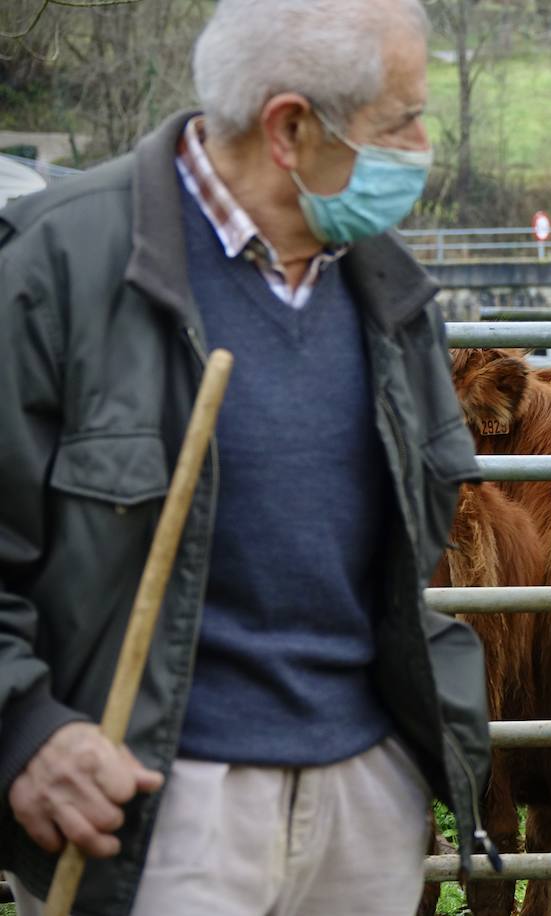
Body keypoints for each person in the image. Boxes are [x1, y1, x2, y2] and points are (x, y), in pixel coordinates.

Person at [0, 2, 494, 914]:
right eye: (400, 121)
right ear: (290, 127)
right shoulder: (57, 266)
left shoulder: (390, 292)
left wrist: (396, 771)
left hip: (363, 802)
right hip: (157, 806)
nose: (423, 146)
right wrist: (23, 726)